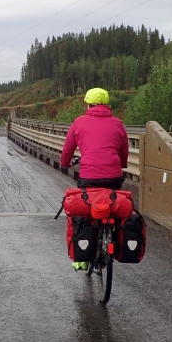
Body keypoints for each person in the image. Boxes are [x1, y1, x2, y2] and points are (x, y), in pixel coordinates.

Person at [60, 87, 130, 270]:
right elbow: (124, 151)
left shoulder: (79, 122)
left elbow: (68, 149)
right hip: (113, 176)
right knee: (112, 204)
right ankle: (112, 236)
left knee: (86, 210)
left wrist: (65, 163)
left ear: (88, 104)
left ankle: (83, 256)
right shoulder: (118, 123)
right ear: (106, 104)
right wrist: (121, 164)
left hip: (89, 176)